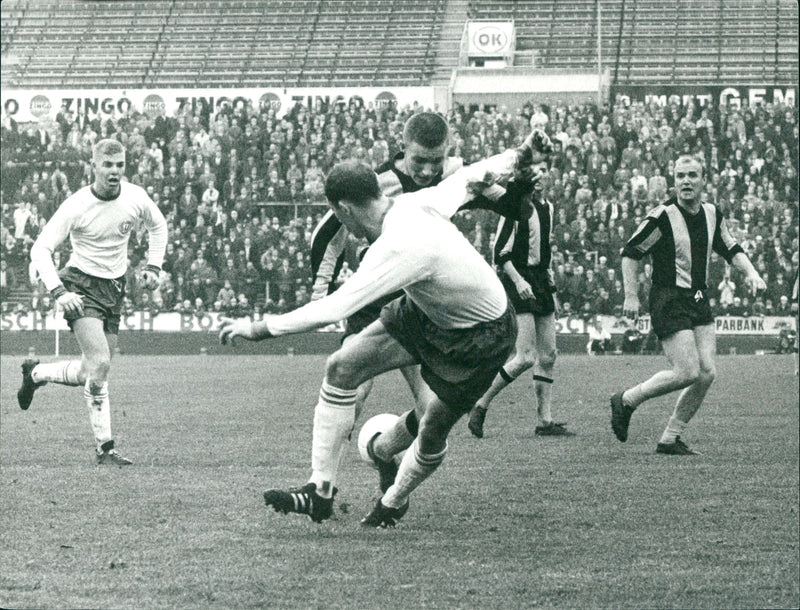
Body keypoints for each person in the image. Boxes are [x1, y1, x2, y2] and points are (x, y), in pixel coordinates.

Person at [219, 135, 542, 527]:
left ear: (343, 209)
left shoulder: (399, 244)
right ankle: (319, 492)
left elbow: (334, 308)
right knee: (341, 367)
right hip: (424, 311)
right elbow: (471, 177)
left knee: (434, 425)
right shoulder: (411, 204)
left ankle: (392, 502)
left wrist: (258, 329)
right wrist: (519, 154)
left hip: (482, 335)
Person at [306, 113, 540, 504]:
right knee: (352, 384)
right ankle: (322, 486)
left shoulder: (459, 177)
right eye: (420, 161)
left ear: (447, 151)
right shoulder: (377, 184)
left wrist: (522, 188)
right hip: (375, 299)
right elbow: (325, 234)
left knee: (428, 406)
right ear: (403, 148)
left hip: (424, 306)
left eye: (437, 159)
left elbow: (516, 210)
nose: (430, 169)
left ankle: (383, 452)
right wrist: (320, 292)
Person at [17, 139, 168, 465]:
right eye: (107, 165)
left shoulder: (135, 197)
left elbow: (159, 226)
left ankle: (36, 374)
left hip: (114, 288)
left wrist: (155, 266)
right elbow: (40, 249)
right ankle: (106, 450)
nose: (114, 172)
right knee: (101, 363)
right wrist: (59, 291)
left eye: (120, 165)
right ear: (94, 166)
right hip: (81, 285)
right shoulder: (76, 205)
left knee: (91, 371)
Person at [609, 155, 766, 455]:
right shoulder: (662, 216)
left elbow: (731, 247)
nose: (685, 181)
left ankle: (670, 437)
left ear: (703, 180)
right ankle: (626, 399)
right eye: (680, 176)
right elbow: (630, 253)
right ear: (674, 180)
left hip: (696, 297)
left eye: (692, 175)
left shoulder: (711, 213)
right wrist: (630, 296)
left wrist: (752, 273)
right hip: (668, 298)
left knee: (707, 373)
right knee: (687, 372)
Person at [467, 149, 574, 439]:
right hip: (518, 280)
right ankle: (480, 403)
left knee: (549, 354)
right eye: (532, 173)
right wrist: (518, 281)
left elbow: (547, 252)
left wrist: (551, 288)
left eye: (542, 172)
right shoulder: (514, 207)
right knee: (525, 357)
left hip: (540, 281)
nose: (538, 178)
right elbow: (499, 253)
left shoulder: (547, 207)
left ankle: (545, 421)